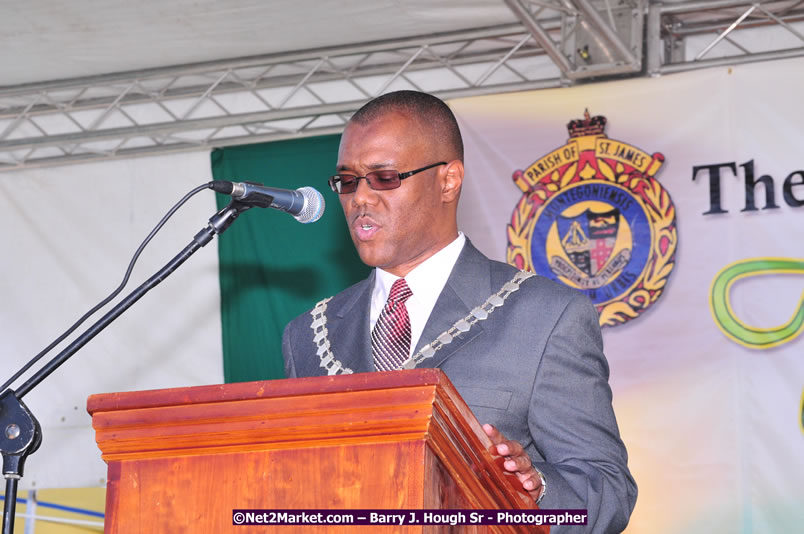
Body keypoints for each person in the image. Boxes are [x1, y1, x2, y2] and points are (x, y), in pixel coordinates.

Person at [282, 90, 637, 532]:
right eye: (348, 181)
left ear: (448, 180)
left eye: (385, 177)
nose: (360, 198)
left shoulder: (544, 316)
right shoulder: (307, 335)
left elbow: (607, 491)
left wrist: (536, 489)